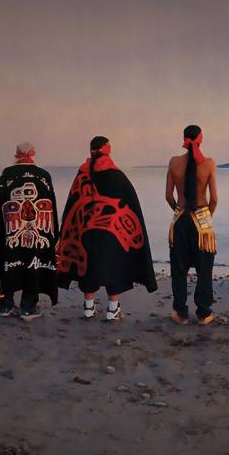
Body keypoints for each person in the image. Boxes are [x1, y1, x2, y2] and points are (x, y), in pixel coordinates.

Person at [55, 136, 158, 321]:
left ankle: (88, 309)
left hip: (85, 233)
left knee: (87, 268)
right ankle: (112, 310)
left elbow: (72, 204)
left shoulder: (82, 175)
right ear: (107, 149)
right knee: (114, 269)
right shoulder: (117, 176)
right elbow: (131, 205)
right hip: (111, 235)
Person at [0, 142, 59, 321]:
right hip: (37, 233)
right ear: (33, 154)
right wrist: (54, 234)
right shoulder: (44, 176)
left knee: (8, 264)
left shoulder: (7, 175)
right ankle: (28, 307)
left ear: (16, 155)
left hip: (10, 234)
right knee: (33, 264)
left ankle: (6, 304)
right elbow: (52, 209)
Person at [166, 125, 219, 325]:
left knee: (178, 268)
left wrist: (178, 211)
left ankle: (180, 313)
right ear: (200, 138)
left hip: (180, 220)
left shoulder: (173, 162)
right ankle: (204, 313)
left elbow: (168, 196)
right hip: (202, 221)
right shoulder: (209, 164)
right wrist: (206, 216)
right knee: (204, 269)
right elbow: (213, 198)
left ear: (184, 139)